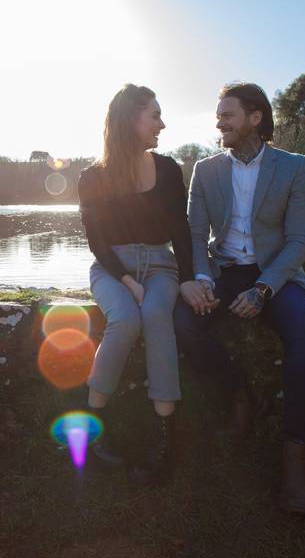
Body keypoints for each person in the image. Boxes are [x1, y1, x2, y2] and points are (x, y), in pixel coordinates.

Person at [174, 82, 305, 515]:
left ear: (256, 117)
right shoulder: (205, 169)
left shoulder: (294, 167)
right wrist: (200, 277)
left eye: (227, 115)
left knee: (302, 340)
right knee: (184, 323)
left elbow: (300, 241)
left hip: (276, 273)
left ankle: (296, 461)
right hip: (223, 271)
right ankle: (239, 393)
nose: (219, 122)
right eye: (218, 115)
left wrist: (263, 288)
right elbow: (195, 233)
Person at [77, 83, 195, 484]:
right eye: (155, 115)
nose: (162, 123)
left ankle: (166, 437)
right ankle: (92, 432)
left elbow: (181, 232)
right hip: (112, 269)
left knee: (158, 314)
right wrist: (127, 280)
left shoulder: (168, 169)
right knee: (125, 319)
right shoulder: (92, 177)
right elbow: (96, 242)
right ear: (131, 119)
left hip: (162, 266)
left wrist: (191, 278)